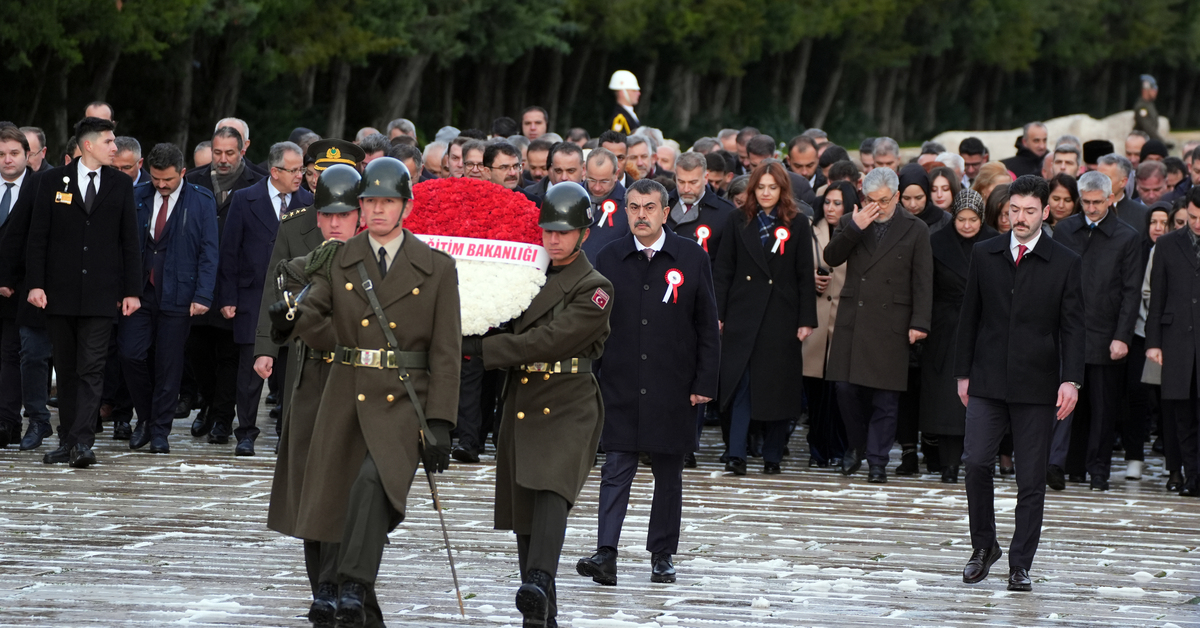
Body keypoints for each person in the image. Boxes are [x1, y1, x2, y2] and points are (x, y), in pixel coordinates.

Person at [462, 182, 612, 627]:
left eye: (564, 231)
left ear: (583, 232)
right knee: (525, 507)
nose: (553, 238)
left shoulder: (594, 287)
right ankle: (540, 612)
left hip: (568, 402)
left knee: (552, 488)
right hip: (522, 399)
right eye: (548, 230)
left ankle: (540, 580)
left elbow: (552, 339)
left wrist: (485, 352)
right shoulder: (523, 273)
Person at [263, 164, 390, 627]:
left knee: (351, 499)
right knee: (310, 503)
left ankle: (344, 591)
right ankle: (324, 592)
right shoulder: (299, 269)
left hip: (360, 393)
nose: (335, 224)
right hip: (315, 392)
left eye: (343, 214)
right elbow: (316, 333)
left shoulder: (381, 269)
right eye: (326, 215)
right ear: (315, 219)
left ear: (359, 215)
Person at [576, 178, 719, 586]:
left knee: (668, 473)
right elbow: (591, 322)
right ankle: (606, 552)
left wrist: (704, 382)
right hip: (619, 381)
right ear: (625, 210)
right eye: (634, 207)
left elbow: (707, 325)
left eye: (649, 207)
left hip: (673, 384)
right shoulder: (608, 256)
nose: (641, 215)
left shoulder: (691, 258)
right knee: (616, 467)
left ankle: (662, 554)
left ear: (666, 210)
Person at [955, 174, 1084, 591]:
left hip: (1038, 383)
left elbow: (1073, 328)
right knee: (975, 462)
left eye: (1030, 211)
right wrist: (963, 374)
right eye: (1014, 210)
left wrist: (1071, 381)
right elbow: (968, 317)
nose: (1021, 218)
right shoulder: (985, 253)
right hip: (987, 379)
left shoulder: (1064, 261)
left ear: (1046, 212)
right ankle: (983, 547)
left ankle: (1020, 563)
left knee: (1031, 477)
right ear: (1006, 210)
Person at [25, 117, 142, 467]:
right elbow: (38, 238)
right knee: (66, 367)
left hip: (101, 293)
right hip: (59, 292)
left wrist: (132, 290)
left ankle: (83, 442)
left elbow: (130, 242)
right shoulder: (50, 181)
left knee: (92, 368)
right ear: (88, 145)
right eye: (109, 142)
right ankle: (67, 439)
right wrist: (35, 283)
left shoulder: (120, 185)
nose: (115, 148)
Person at [249, 139, 365, 440]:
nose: (328, 181)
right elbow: (274, 288)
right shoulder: (293, 225)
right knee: (296, 428)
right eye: (321, 173)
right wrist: (266, 348)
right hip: (301, 346)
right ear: (312, 176)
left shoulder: (369, 228)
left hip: (355, 345)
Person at [823, 166, 933, 483]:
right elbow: (831, 257)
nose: (879, 206)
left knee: (886, 398)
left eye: (885, 200)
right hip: (853, 319)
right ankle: (857, 446)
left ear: (897, 196)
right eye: (872, 200)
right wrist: (855, 227)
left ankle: (877, 462)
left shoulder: (916, 228)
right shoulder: (851, 222)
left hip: (893, 321)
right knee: (844, 389)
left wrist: (920, 322)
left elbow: (923, 281)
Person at [713, 161, 818, 475]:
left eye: (773, 187)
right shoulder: (736, 221)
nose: (767, 193)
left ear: (782, 189)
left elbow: (804, 276)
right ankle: (736, 453)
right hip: (742, 314)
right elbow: (723, 271)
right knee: (740, 384)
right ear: (753, 190)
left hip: (780, 316)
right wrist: (718, 313)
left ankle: (773, 454)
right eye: (761, 187)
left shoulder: (798, 224)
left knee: (777, 386)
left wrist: (806, 319)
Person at [119, 143, 219, 455]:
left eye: (169, 180)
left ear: (183, 173)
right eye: (157, 179)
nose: (161, 185)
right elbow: (122, 247)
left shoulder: (201, 201)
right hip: (140, 293)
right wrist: (124, 289)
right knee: (130, 354)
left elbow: (209, 250)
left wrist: (203, 294)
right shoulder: (136, 197)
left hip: (181, 293)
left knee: (169, 364)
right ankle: (146, 418)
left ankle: (159, 431)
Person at [217, 141, 313, 456]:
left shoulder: (309, 202)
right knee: (250, 370)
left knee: (288, 372)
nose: (301, 175)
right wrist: (228, 296)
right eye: (295, 170)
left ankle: (286, 434)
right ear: (275, 171)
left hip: (294, 300)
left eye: (302, 169)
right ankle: (245, 432)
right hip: (252, 297)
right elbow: (229, 252)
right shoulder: (244, 199)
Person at [920, 190, 997, 484]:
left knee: (979, 397)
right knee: (945, 400)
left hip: (983, 327)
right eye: (961, 219)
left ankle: (977, 461)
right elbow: (927, 285)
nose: (966, 225)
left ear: (981, 218)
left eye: (973, 219)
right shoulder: (937, 241)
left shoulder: (993, 242)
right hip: (945, 327)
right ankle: (948, 464)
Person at [1145, 186, 1200, 497]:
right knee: (1182, 414)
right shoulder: (1166, 245)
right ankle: (1191, 476)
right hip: (1176, 339)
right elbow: (1157, 297)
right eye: (1192, 217)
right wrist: (1153, 343)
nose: (1197, 223)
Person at [803, 181, 856, 467]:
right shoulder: (810, 229)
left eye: (837, 203)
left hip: (844, 318)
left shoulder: (858, 230)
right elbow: (797, 267)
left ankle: (839, 448)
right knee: (815, 392)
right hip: (816, 320)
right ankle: (817, 450)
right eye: (828, 202)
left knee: (840, 392)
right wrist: (809, 277)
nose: (831, 208)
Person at [1123, 202, 1171, 483]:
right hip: (1139, 333)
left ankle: (1170, 458)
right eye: (1154, 221)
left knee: (1169, 399)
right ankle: (1134, 457)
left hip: (1172, 335)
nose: (1158, 227)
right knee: (1136, 396)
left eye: (1164, 222)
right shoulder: (1137, 249)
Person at [0, 124, 30, 447]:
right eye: (1, 154)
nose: (7, 160)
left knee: (12, 355)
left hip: (20, 290)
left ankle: (7, 421)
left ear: (27, 155)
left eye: (13, 153)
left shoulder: (39, 187)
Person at [666, 152, 735, 265]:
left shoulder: (725, 212)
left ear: (706, 178)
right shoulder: (661, 204)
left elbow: (727, 264)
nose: (686, 189)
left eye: (693, 182)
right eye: (681, 182)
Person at [1095, 153, 1149, 239]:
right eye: (1097, 177)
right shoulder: (1082, 208)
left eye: (1106, 178)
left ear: (1123, 182)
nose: (1099, 183)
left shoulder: (1142, 215)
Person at [609, 70, 641, 135]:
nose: (638, 93)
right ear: (622, 92)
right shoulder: (619, 118)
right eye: (634, 90)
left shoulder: (628, 114)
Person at [1133, 75, 1163, 142]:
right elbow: (1147, 128)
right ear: (1146, 89)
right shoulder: (1142, 107)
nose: (1156, 92)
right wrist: (1161, 142)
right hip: (1141, 142)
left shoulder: (1150, 105)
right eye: (1153, 89)